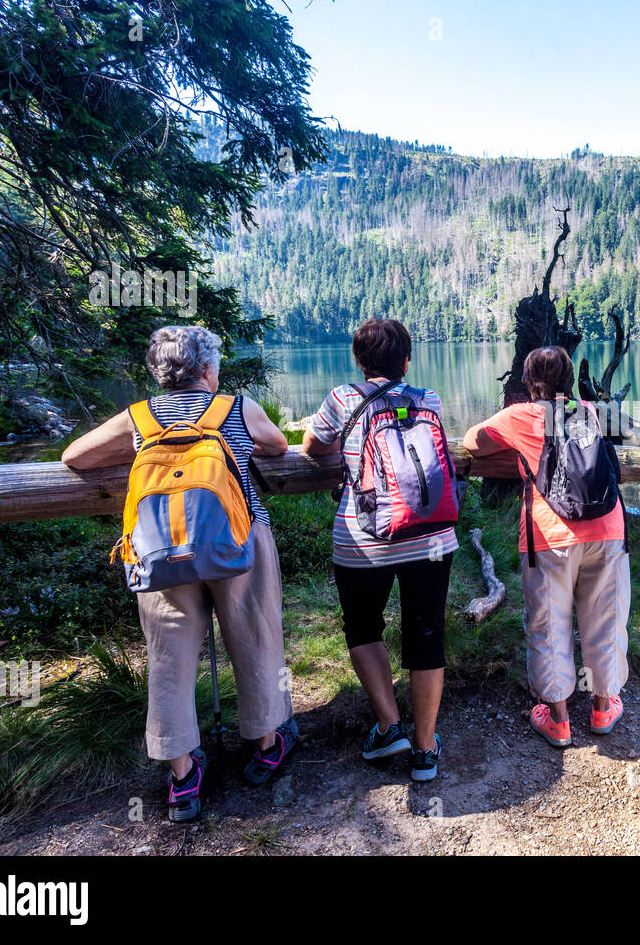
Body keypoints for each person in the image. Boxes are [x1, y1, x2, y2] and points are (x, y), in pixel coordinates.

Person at [61, 325, 297, 822]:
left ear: (159, 373)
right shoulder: (234, 407)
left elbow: (74, 456)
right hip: (237, 540)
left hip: (162, 550)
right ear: (208, 369)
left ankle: (182, 774)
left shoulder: (138, 417)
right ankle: (265, 742)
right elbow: (276, 446)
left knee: (169, 655)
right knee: (256, 637)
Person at [301, 318, 458, 782]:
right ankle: (426, 749)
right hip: (431, 537)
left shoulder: (343, 398)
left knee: (364, 627)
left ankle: (390, 727)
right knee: (427, 631)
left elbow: (312, 447)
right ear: (406, 361)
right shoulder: (427, 399)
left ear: (358, 359)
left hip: (363, 541)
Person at [463, 346, 631, 749]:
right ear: (570, 378)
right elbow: (617, 443)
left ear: (527, 381)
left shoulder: (520, 415)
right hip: (607, 528)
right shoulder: (592, 411)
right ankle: (604, 708)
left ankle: (558, 720)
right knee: (605, 620)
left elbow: (472, 442)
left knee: (549, 625)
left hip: (549, 536)